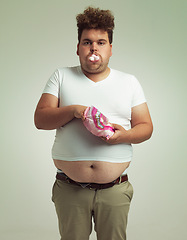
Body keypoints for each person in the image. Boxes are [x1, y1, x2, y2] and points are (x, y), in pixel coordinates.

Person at [34, 7, 153, 240]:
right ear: (78, 47)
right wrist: (75, 111)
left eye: (101, 42)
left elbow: (146, 127)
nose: (94, 49)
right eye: (87, 42)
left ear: (110, 49)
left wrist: (123, 136)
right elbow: (40, 119)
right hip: (69, 188)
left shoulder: (128, 82)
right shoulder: (61, 76)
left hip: (115, 190)